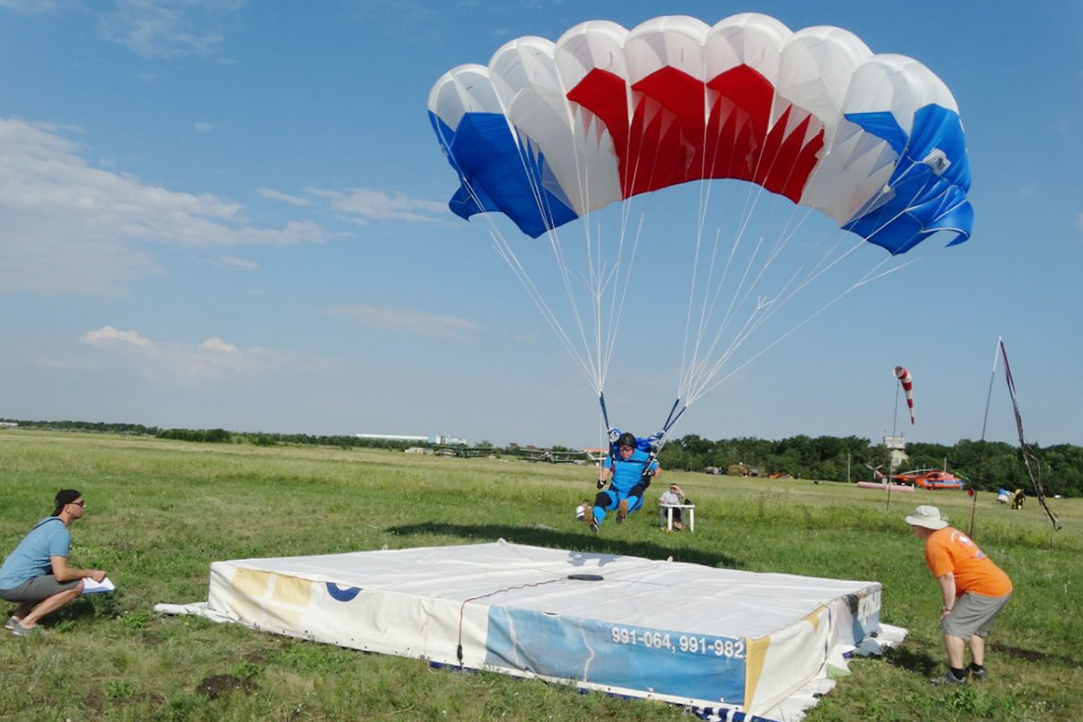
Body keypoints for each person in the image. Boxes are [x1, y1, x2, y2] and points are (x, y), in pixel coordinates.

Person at [905, 505, 1013, 685]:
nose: (912, 529)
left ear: (924, 526)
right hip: (1001, 585)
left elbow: (947, 578)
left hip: (983, 589)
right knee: (975, 629)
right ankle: (977, 670)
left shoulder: (934, 544)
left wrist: (948, 609)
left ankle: (956, 676)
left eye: (914, 525)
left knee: (952, 625)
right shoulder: (950, 533)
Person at [0, 490, 107, 636]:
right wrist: (91, 573)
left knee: (48, 574)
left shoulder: (46, 524)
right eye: (81, 503)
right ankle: (27, 623)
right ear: (67, 507)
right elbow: (61, 575)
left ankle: (17, 617)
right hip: (14, 586)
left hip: (5, 582)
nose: (84, 506)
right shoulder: (60, 533)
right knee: (78, 585)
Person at [585, 432, 661, 533]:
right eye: (622, 449)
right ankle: (596, 521)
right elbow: (605, 471)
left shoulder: (644, 457)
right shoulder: (614, 456)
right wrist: (601, 480)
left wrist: (651, 472)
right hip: (616, 494)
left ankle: (624, 508)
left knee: (638, 488)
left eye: (627, 450)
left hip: (634, 498)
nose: (624, 452)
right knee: (601, 496)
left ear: (633, 448)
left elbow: (659, 472)